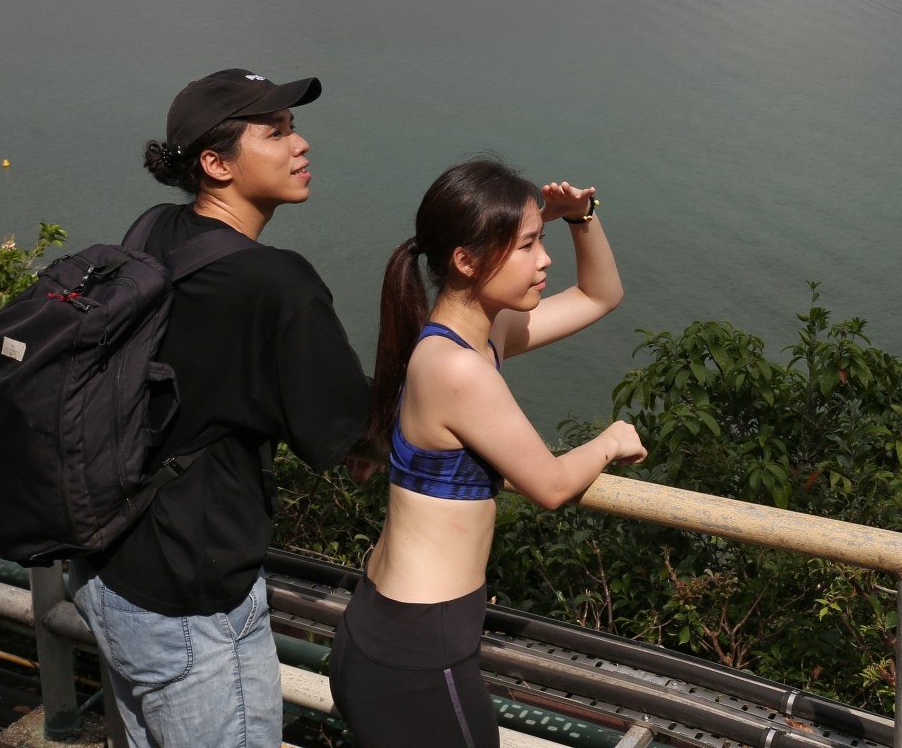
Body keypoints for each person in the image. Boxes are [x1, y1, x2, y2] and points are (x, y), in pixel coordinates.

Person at [70, 69, 372, 748]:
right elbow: (341, 428)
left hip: (110, 570)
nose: (300, 146)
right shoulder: (276, 281)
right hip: (191, 603)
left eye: (293, 128)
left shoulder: (152, 230)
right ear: (215, 162)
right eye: (276, 132)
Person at [330, 158, 647, 748]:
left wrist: (583, 216)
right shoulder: (458, 368)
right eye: (527, 245)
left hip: (391, 631)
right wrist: (611, 440)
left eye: (541, 241)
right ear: (466, 261)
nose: (543, 259)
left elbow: (601, 295)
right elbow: (549, 486)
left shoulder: (469, 337)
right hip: (420, 655)